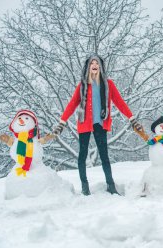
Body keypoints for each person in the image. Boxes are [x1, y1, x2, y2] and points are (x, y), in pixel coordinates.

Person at [52, 54, 142, 196]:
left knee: (104, 155)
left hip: (100, 123)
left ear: (100, 67)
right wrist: (62, 122)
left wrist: (131, 118)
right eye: (92, 63)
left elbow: (119, 102)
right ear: (88, 67)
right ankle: (85, 187)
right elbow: (72, 104)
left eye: (97, 63)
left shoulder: (108, 84)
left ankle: (111, 186)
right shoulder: (82, 86)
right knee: (82, 155)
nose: (94, 65)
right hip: (84, 124)